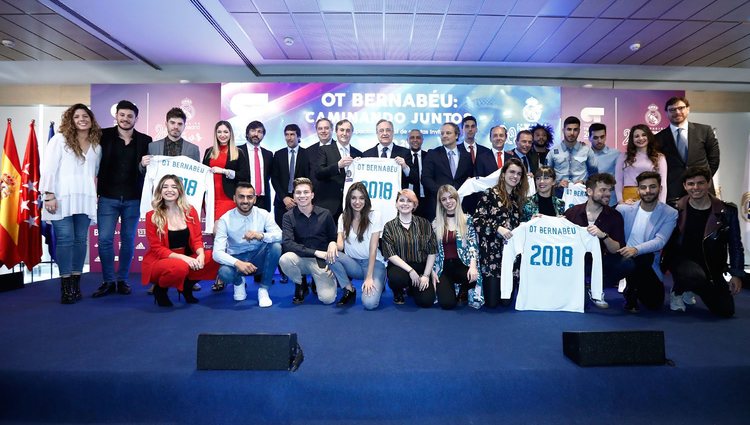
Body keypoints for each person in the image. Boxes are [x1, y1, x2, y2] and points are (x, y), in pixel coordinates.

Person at [40, 103, 103, 304]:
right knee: (66, 239)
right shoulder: (59, 140)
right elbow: (48, 169)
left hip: (85, 199)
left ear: (91, 119)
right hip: (60, 198)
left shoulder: (96, 145)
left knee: (79, 240)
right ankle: (65, 285)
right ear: (71, 120)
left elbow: (95, 173)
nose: (82, 119)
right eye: (77, 116)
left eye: (85, 116)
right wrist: (48, 195)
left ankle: (76, 283)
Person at [662, 166, 744, 317]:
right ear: (685, 186)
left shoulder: (727, 211)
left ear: (708, 183)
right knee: (694, 276)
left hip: (711, 266)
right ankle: (679, 290)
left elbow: (735, 244)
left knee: (725, 311)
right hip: (681, 262)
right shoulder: (674, 208)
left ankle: (691, 287)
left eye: (700, 183)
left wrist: (736, 274)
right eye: (691, 184)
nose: (696, 188)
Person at [92, 100, 152, 299]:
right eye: (122, 115)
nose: (125, 119)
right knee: (105, 240)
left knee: (128, 240)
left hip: (133, 198)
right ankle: (108, 280)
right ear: (116, 116)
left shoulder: (145, 140)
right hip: (108, 197)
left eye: (130, 116)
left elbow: (149, 170)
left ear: (136, 118)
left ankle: (122, 279)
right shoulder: (103, 136)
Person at [143, 107, 201, 292]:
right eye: (172, 123)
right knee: (161, 237)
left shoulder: (193, 149)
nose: (176, 127)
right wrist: (142, 164)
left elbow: (197, 174)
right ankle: (159, 277)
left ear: (184, 126)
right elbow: (147, 174)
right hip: (162, 200)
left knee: (188, 236)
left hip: (183, 198)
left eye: (180, 124)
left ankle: (191, 276)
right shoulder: (153, 146)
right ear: (166, 124)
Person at [141, 175, 219, 307]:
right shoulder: (152, 216)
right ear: (160, 191)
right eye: (165, 187)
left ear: (180, 190)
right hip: (161, 260)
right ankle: (160, 290)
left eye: (174, 187)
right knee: (179, 267)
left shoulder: (190, 211)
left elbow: (197, 239)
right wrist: (184, 259)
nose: (169, 190)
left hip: (187, 257)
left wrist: (200, 254)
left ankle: (186, 287)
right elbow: (157, 248)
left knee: (215, 256)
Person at [564, 173, 630, 308]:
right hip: (576, 262)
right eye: (603, 190)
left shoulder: (615, 216)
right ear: (589, 191)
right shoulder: (572, 213)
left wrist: (603, 235)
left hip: (602, 261)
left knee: (627, 263)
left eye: (609, 190)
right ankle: (580, 287)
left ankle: (595, 288)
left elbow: (616, 249)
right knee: (580, 303)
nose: (608, 194)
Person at [615, 172, 677, 312]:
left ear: (660, 189)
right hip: (622, 259)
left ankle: (632, 288)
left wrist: (636, 250)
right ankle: (631, 294)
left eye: (652, 187)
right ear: (638, 190)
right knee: (636, 259)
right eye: (643, 187)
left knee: (654, 304)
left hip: (647, 262)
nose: (648, 191)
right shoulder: (623, 209)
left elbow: (660, 241)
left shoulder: (670, 213)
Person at [213, 182, 282, 306]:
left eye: (249, 197)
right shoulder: (225, 219)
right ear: (234, 198)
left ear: (255, 199)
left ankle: (263, 289)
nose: (245, 201)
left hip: (258, 257)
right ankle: (239, 283)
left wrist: (261, 235)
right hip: (237, 258)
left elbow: (281, 235)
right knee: (224, 273)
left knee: (276, 246)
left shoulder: (263, 214)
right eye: (241, 196)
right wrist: (237, 263)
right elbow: (217, 253)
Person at [473, 158, 528, 307]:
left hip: (512, 257)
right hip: (492, 256)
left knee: (506, 303)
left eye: (518, 174)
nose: (515, 176)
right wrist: (497, 228)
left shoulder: (520, 199)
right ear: (503, 174)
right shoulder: (489, 194)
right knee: (492, 303)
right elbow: (477, 221)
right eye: (511, 172)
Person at [279, 178, 338, 305]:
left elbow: (333, 237)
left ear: (312, 195)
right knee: (285, 259)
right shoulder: (288, 217)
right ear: (294, 196)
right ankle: (301, 283)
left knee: (328, 299)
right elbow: (288, 244)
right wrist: (316, 252)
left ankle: (317, 282)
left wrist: (333, 243)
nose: (302, 196)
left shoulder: (325, 214)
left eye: (306, 192)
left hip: (321, 261)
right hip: (300, 259)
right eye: (298, 193)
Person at [328, 182, 387, 309]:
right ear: (349, 199)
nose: (357, 202)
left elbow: (373, 248)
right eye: (353, 198)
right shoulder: (343, 217)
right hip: (354, 264)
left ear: (366, 199)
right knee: (330, 255)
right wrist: (332, 244)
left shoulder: (374, 216)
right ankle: (349, 289)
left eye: (361, 198)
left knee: (369, 304)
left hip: (374, 263)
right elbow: (340, 245)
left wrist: (370, 277)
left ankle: (380, 280)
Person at [655, 96, 720, 205]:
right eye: (672, 110)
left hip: (702, 190)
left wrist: (703, 180)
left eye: (681, 108)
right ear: (666, 113)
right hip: (674, 192)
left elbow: (714, 160)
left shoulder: (705, 131)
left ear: (688, 109)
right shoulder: (658, 138)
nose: (677, 112)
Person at [380, 189, 437, 307]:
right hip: (399, 267)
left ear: (414, 205)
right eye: (401, 200)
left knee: (426, 302)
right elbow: (390, 254)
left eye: (409, 201)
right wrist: (410, 271)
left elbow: (432, 251)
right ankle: (398, 290)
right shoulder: (389, 226)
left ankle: (412, 287)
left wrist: (426, 276)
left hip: (420, 266)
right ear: (396, 204)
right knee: (397, 279)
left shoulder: (425, 224)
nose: (405, 204)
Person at [431, 185, 482, 309]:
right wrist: (432, 272)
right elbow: (432, 251)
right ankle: (454, 289)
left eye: (451, 197)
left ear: (457, 198)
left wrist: (473, 267)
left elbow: (473, 245)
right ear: (440, 203)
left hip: (462, 265)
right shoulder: (435, 223)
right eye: (444, 199)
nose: (448, 202)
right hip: (444, 268)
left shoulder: (467, 219)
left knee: (474, 276)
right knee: (447, 304)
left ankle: (464, 288)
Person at [270, 124, 309, 285]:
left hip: (301, 203)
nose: (289, 137)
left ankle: (301, 269)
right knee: (283, 237)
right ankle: (284, 271)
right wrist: (284, 197)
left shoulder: (306, 154)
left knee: (299, 237)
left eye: (292, 134)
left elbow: (308, 178)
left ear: (298, 136)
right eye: (286, 134)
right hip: (281, 204)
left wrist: (297, 198)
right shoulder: (277, 154)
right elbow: (275, 179)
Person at [422, 122, 473, 220]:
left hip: (461, 207)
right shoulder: (432, 154)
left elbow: (469, 178)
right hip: (438, 206)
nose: (444, 136)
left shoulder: (466, 156)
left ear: (457, 135)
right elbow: (425, 179)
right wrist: (443, 195)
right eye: (442, 133)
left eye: (448, 133)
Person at [201, 120, 249, 225]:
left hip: (228, 198)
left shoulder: (238, 152)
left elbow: (244, 175)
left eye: (226, 132)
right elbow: (202, 174)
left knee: (221, 230)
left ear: (230, 133)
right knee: (213, 229)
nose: (222, 135)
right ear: (215, 134)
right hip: (210, 198)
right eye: (219, 132)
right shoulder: (209, 151)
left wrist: (224, 171)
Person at [316, 119, 362, 221]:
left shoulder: (358, 153)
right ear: (336, 132)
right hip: (329, 205)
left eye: (348, 130)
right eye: (342, 130)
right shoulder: (324, 150)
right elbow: (319, 173)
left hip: (351, 205)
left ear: (351, 133)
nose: (344, 133)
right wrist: (337, 165)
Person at [615, 124, 667, 205]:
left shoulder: (659, 157)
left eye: (644, 135)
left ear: (649, 137)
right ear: (632, 139)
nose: (641, 138)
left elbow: (663, 183)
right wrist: (620, 201)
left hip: (651, 196)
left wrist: (662, 203)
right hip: (628, 198)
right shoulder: (623, 156)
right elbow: (618, 180)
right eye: (636, 136)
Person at [547, 116, 598, 196]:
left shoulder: (587, 150)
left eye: (575, 129)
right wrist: (557, 183)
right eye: (569, 129)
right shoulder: (553, 152)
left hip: (581, 195)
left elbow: (594, 175)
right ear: (563, 130)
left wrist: (584, 182)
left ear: (579, 131)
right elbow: (547, 175)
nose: (572, 133)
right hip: (559, 195)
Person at [362, 119, 413, 188]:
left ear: (393, 132)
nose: (385, 133)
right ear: (377, 133)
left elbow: (413, 179)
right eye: (381, 130)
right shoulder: (366, 155)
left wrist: (404, 166)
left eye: (388, 130)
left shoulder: (405, 152)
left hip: (398, 197)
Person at [239, 121, 273, 211]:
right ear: (247, 133)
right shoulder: (237, 151)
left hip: (263, 200)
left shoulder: (268, 154)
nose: (256, 134)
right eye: (253, 131)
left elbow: (269, 176)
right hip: (243, 198)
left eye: (259, 132)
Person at [588, 123, 619, 205]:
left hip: (610, 202)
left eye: (602, 137)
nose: (599, 141)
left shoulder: (616, 154)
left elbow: (620, 178)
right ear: (589, 138)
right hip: (589, 201)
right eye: (595, 138)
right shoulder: (583, 154)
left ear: (605, 136)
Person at [306, 118, 335, 192]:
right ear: (316, 131)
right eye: (320, 128)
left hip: (335, 195)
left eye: (326, 128)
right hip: (314, 195)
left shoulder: (340, 148)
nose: (323, 131)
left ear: (332, 129)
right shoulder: (308, 151)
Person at [407, 129, 428, 217]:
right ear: (407, 140)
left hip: (425, 200)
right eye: (412, 137)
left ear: (422, 140)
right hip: (406, 200)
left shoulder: (429, 156)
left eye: (418, 137)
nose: (415, 140)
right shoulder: (402, 156)